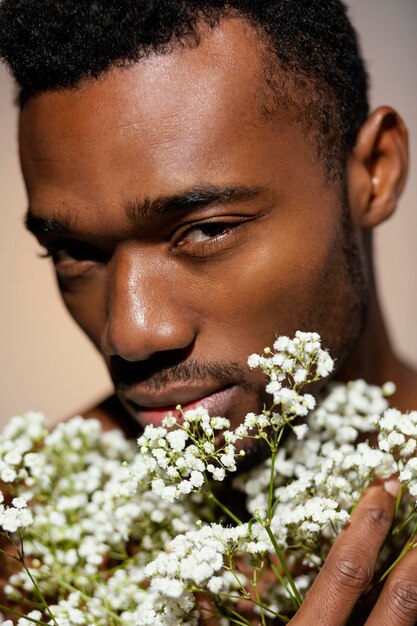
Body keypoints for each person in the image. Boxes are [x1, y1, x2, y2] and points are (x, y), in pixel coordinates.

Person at [0, 0, 416, 623]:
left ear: (374, 173)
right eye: (74, 252)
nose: (131, 333)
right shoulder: (25, 538)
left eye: (208, 229)